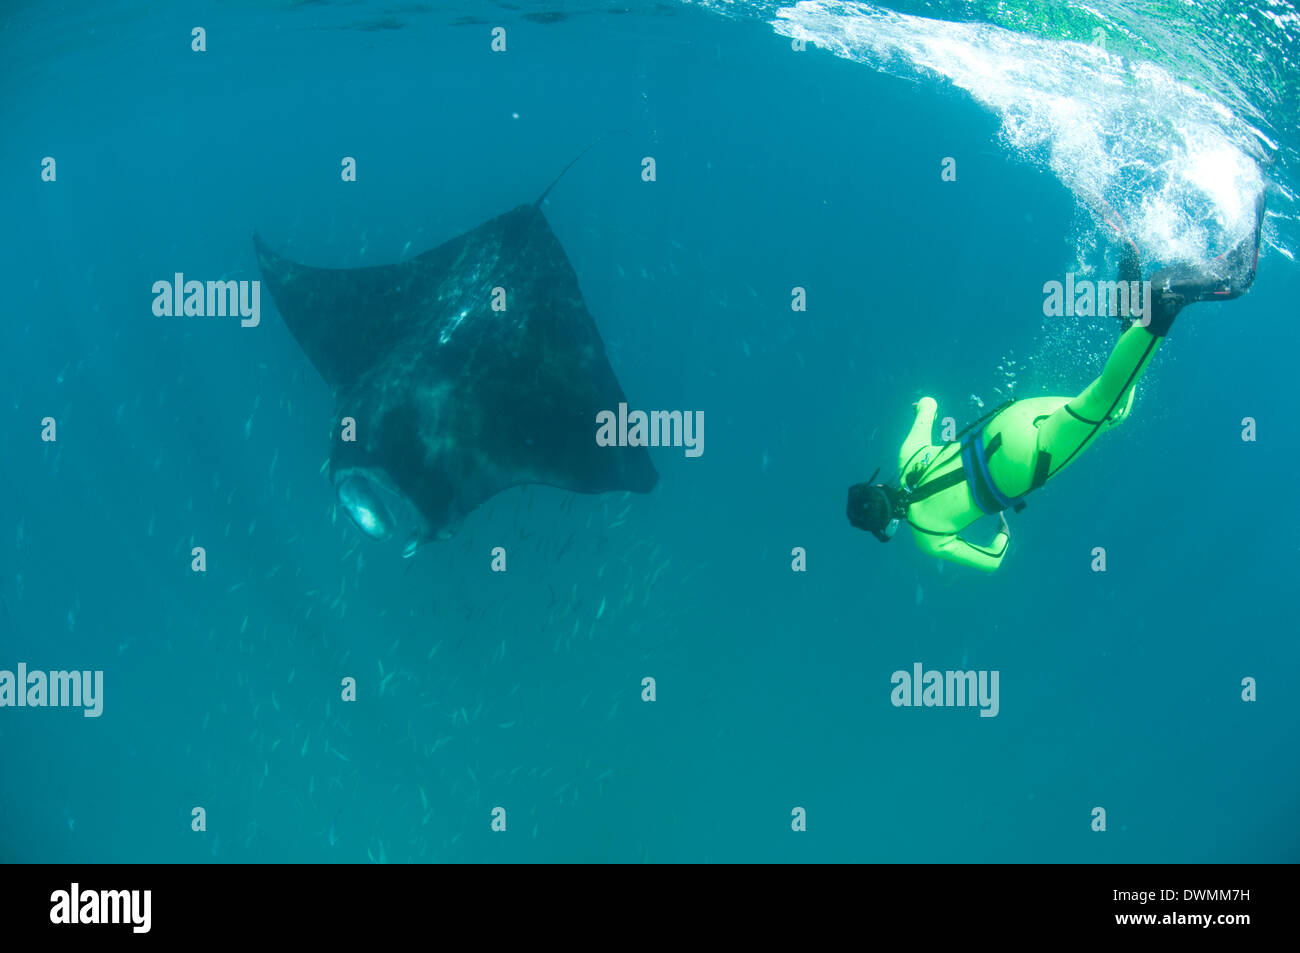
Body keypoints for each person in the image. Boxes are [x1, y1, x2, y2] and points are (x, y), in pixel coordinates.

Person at [847, 194, 1265, 571]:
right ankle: (1135, 293)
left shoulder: (928, 538)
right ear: (876, 481)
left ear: (884, 527)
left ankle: (1177, 298)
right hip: (1006, 423)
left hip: (1023, 464)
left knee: (1109, 405)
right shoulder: (908, 457)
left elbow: (993, 560)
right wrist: (923, 415)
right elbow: (928, 403)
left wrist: (1003, 530)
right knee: (1105, 397)